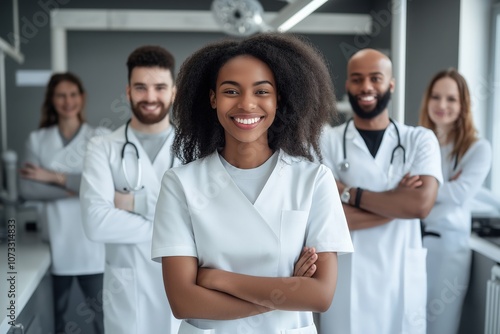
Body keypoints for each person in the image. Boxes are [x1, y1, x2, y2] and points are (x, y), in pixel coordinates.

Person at [150, 32, 353, 334]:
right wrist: (286, 291)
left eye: (261, 92)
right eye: (231, 91)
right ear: (213, 98)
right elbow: (183, 301)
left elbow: (321, 296)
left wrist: (219, 280)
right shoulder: (181, 183)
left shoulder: (313, 180)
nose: (247, 104)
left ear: (278, 98)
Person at [318, 48, 443, 334]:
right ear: (347, 85)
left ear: (391, 84)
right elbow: (328, 218)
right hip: (349, 276)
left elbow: (420, 207)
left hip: (400, 273)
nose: (366, 87)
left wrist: (347, 192)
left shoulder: (419, 139)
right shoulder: (327, 141)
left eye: (375, 78)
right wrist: (397, 203)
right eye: (357, 79)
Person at [80, 45, 181, 334]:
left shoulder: (194, 149)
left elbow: (206, 217)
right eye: (141, 87)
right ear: (128, 92)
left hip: (183, 288)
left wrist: (130, 202)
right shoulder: (102, 147)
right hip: (128, 291)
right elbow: (96, 224)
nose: (150, 97)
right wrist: (174, 224)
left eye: (160, 87)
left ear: (173, 92)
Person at [19, 72, 107, 334]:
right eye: (61, 95)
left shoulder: (99, 137)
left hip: (93, 248)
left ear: (82, 98)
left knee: (103, 318)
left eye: (72, 94)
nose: (67, 101)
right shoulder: (38, 140)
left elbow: (106, 186)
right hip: (55, 246)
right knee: (55, 319)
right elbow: (28, 189)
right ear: (52, 100)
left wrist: (51, 177)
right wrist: (78, 186)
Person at [418, 68, 492, 334]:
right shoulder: (419, 141)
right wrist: (442, 187)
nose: (442, 105)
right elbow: (402, 189)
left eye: (451, 99)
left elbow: (459, 194)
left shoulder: (477, 148)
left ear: (463, 104)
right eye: (436, 97)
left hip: (448, 248)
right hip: (414, 242)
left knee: (440, 325)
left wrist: (422, 188)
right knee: (410, 321)